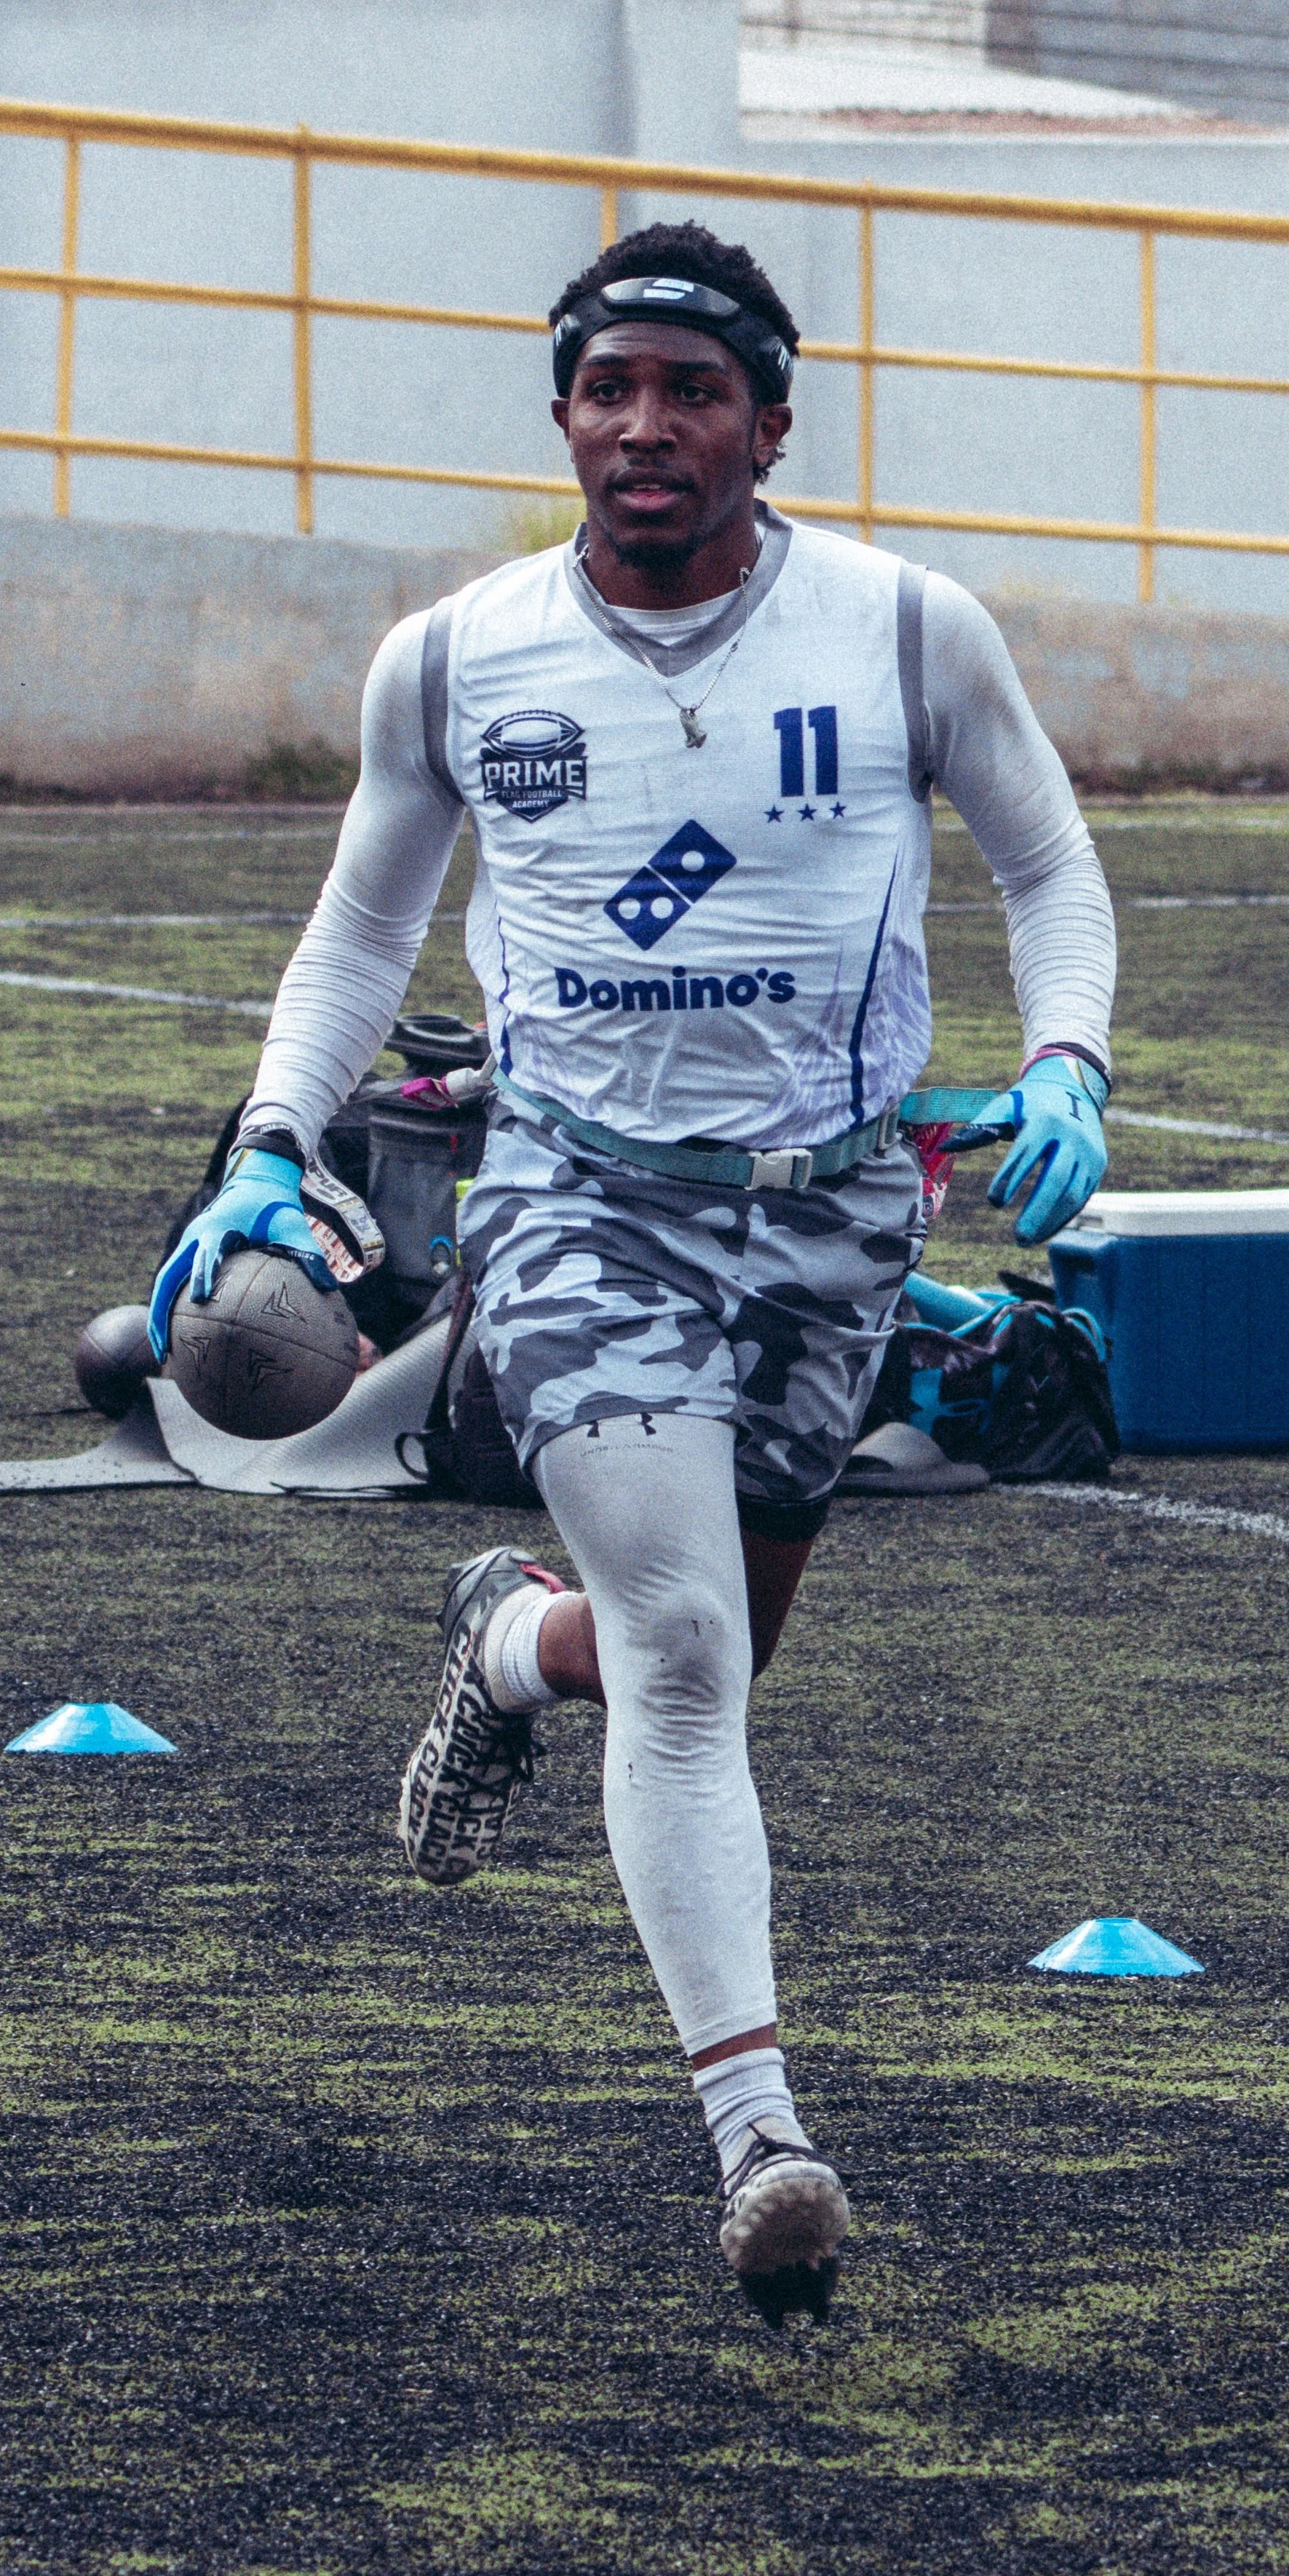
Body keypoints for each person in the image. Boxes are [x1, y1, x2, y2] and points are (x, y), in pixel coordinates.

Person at [150, 221, 1117, 2326]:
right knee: (687, 1662)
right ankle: (760, 2136)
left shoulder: (901, 629)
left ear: (769, 422)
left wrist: (1067, 1058)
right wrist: (271, 1156)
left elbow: (1045, 862)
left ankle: (506, 1649)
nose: (645, 427)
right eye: (609, 389)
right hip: (576, 1205)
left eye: (692, 391)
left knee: (706, 1653)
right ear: (564, 415)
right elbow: (354, 936)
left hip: (840, 1216)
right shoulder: (456, 656)